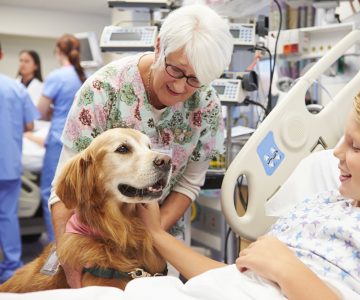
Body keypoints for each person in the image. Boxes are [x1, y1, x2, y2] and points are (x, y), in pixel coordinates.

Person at [138, 84, 360, 300]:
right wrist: (155, 233)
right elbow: (234, 278)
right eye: (343, 139)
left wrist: (287, 269)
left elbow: (275, 272)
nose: (337, 153)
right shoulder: (320, 205)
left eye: (355, 146)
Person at [49, 4, 234, 288]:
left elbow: (189, 183)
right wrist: (70, 264)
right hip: (94, 241)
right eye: (176, 70)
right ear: (159, 46)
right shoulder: (103, 90)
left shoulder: (206, 105)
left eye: (196, 79)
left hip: (159, 237)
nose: (182, 88)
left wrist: (148, 237)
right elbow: (66, 187)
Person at [37, 34, 86, 243]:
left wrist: (55, 112)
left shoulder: (57, 76)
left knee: (53, 195)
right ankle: (75, 245)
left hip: (59, 141)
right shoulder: (85, 76)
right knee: (78, 198)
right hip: (83, 143)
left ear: (58, 51)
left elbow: (40, 110)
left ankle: (56, 250)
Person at [0, 42, 40, 283]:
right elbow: (30, 125)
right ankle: (11, 266)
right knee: (7, 216)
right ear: (2, 55)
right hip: (8, 165)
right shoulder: (15, 89)